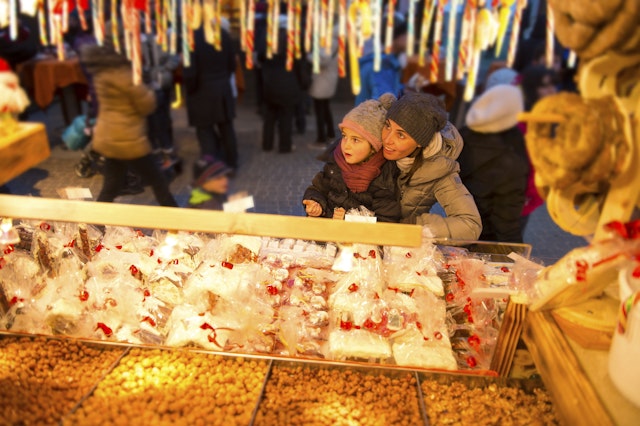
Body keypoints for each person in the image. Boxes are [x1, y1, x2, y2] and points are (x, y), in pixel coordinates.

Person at [79, 23, 178, 207]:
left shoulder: (102, 70)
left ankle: (95, 224)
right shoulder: (124, 74)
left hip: (109, 136)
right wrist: (151, 90)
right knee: (157, 181)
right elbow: (146, 105)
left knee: (112, 185)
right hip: (128, 138)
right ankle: (178, 220)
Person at [381, 92, 482, 240]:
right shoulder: (373, 145)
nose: (387, 139)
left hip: (399, 246)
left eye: (401, 135)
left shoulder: (439, 169)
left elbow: (470, 225)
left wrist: (413, 226)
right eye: (387, 126)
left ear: (420, 142)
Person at [302, 93, 400, 222]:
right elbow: (317, 189)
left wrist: (349, 220)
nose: (346, 145)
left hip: (359, 240)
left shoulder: (384, 178)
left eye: (355, 140)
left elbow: (386, 221)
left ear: (373, 146)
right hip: (329, 234)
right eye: (344, 136)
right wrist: (316, 204)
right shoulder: (335, 163)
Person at [458, 84, 529, 243]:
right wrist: (517, 257)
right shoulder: (511, 158)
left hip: (461, 229)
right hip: (491, 238)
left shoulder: (461, 136)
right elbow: (506, 222)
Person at [183, 23, 239, 170]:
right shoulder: (223, 35)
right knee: (226, 128)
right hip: (222, 88)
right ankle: (232, 162)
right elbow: (232, 65)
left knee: (205, 131)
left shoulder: (191, 38)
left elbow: (190, 71)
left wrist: (190, 89)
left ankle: (213, 166)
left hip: (201, 91)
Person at [518, 65, 559, 231]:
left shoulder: (552, 119)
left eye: (553, 84)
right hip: (516, 198)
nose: (551, 90)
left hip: (532, 196)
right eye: (544, 86)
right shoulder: (520, 122)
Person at [258, 13, 306, 153]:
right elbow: (299, 64)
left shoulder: (268, 40)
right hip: (288, 84)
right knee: (286, 117)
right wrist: (303, 82)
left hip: (270, 84)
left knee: (270, 116)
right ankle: (284, 146)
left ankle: (267, 144)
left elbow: (260, 57)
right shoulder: (292, 42)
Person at [141, 31, 181, 170]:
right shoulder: (136, 41)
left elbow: (174, 58)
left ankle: (168, 152)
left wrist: (162, 71)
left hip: (162, 84)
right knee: (152, 121)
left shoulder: (163, 37)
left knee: (162, 119)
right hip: (146, 88)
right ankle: (159, 153)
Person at [354, 18, 407, 105]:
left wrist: (404, 90)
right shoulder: (381, 66)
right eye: (405, 33)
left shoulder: (386, 63)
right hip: (372, 118)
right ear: (395, 36)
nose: (410, 37)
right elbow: (384, 103)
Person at [308, 25, 339, 146]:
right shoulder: (336, 42)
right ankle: (330, 133)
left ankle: (321, 138)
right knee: (325, 107)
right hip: (328, 78)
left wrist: (309, 57)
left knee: (320, 108)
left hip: (322, 79)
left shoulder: (330, 43)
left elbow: (323, 61)